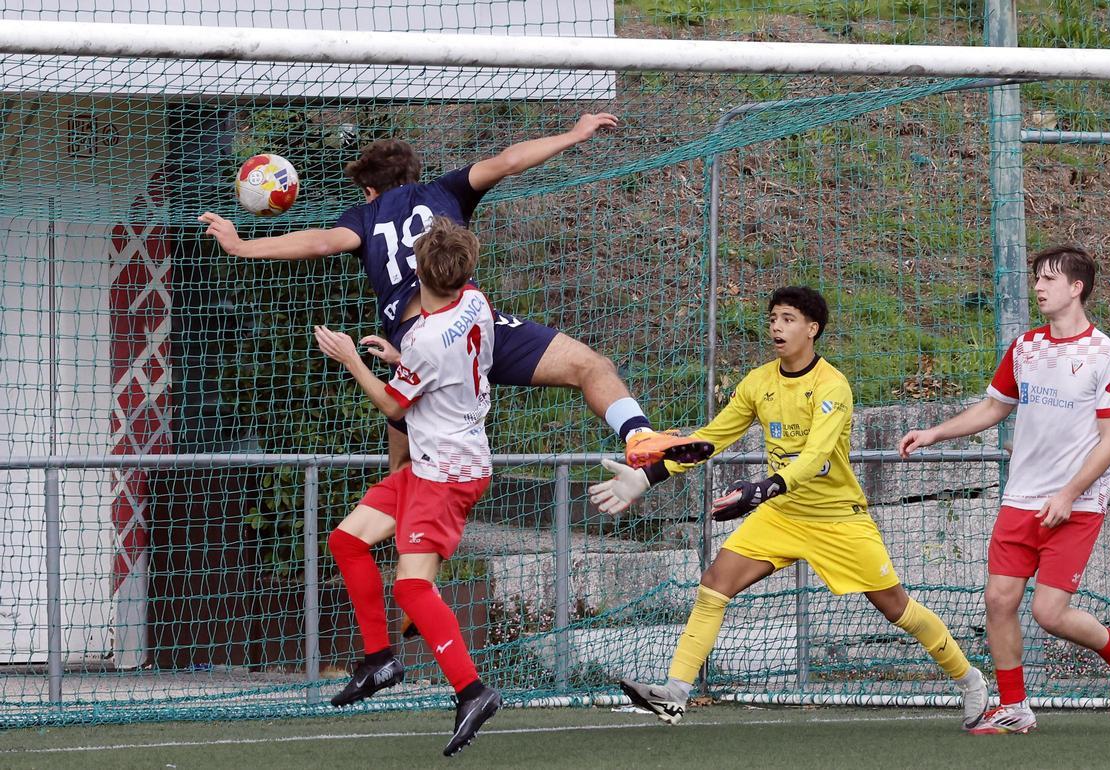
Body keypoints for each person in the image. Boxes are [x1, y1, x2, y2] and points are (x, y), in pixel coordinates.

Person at [198, 114, 713, 705]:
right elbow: (511, 158)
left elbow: (316, 242)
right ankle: (640, 436)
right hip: (474, 328)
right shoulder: (447, 190)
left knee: (404, 470)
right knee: (588, 367)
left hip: (418, 348)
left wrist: (242, 244)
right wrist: (572, 136)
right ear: (416, 175)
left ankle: (409, 607)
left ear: (369, 190)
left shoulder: (364, 218)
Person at [590, 286, 988, 729]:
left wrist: (762, 489)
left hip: (837, 519)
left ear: (812, 329)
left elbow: (816, 456)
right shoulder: (759, 382)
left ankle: (968, 678)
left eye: (788, 319)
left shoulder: (832, 386)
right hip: (782, 514)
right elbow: (710, 439)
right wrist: (645, 477)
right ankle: (675, 694)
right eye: (773, 318)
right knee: (715, 584)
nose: (777, 326)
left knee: (898, 609)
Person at [896, 245, 1110, 734]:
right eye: (1037, 278)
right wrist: (934, 433)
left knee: (1049, 613)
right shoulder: (1026, 346)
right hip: (1020, 500)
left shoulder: (1106, 356)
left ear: (1076, 288)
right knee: (998, 601)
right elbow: (993, 408)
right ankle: (1015, 707)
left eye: (1049, 279)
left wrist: (1070, 493)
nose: (1038, 286)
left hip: (1076, 504)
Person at [315, 217, 500, 756]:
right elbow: (446, 364)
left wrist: (352, 358)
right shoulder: (475, 302)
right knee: (347, 541)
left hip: (446, 474)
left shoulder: (421, 336)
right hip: (432, 463)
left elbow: (396, 406)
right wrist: (402, 362)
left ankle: (472, 691)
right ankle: (380, 659)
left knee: (412, 589)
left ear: (417, 270)